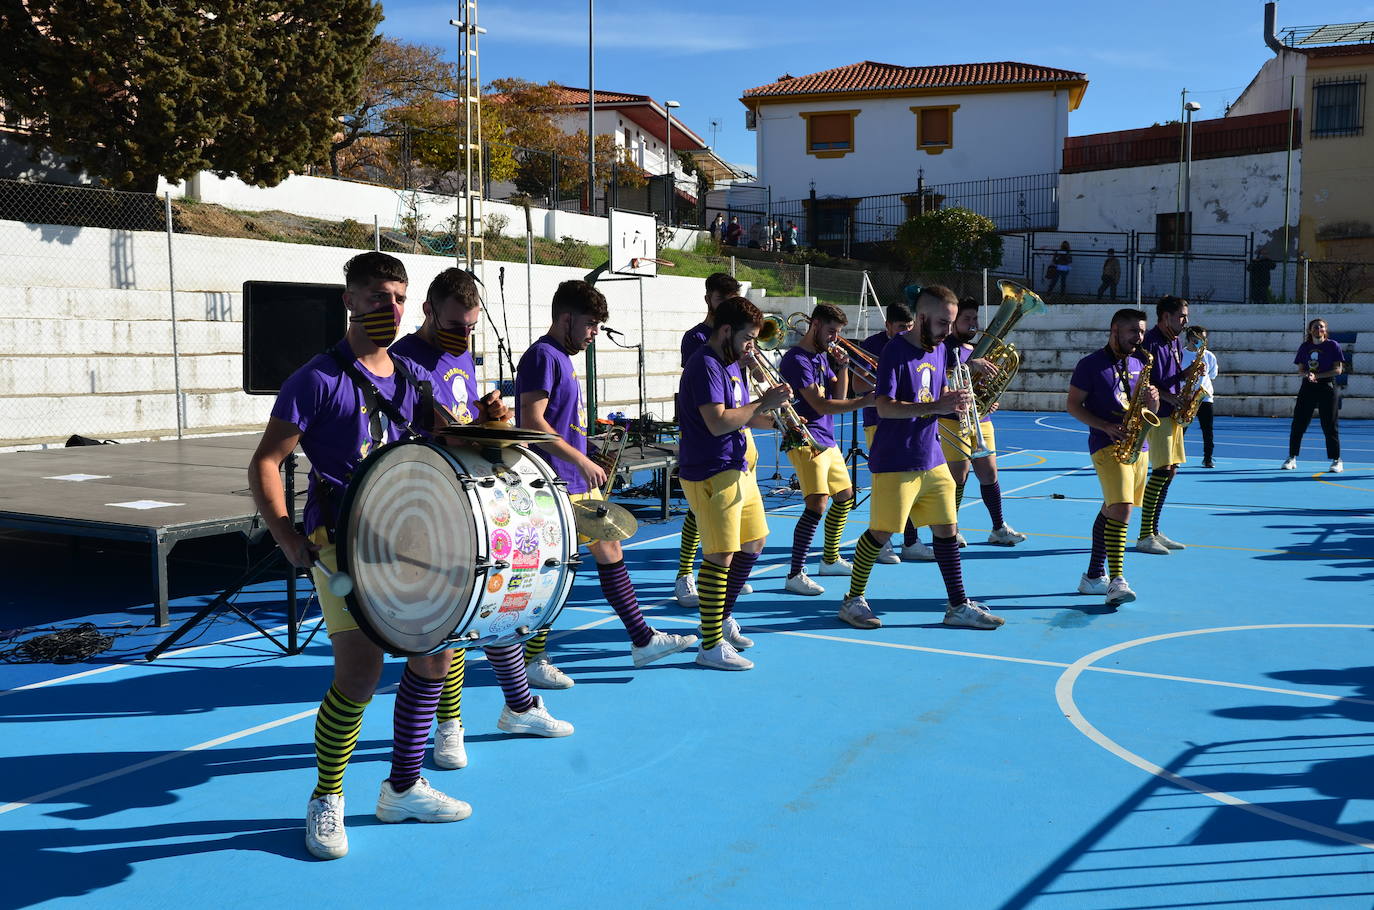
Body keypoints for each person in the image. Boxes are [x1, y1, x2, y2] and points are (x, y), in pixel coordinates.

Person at [248, 252, 470, 861]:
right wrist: (286, 535)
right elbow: (266, 460)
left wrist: (491, 427)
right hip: (341, 541)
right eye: (377, 296)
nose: (390, 308)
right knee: (358, 674)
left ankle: (403, 788)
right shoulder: (316, 379)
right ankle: (327, 798)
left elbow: (448, 436)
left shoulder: (412, 376)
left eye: (398, 297)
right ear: (348, 300)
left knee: (434, 659)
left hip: (409, 539)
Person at [390, 268, 575, 759]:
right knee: (449, 625)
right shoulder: (403, 360)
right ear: (428, 311)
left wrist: (491, 416)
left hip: (471, 496)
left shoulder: (460, 354)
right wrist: (480, 429)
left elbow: (464, 419)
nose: (464, 335)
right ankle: (448, 726)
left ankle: (519, 705)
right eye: (456, 325)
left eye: (472, 327)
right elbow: (439, 430)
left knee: (496, 601)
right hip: (428, 500)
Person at [515, 280, 698, 688]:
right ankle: (532, 659)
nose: (594, 332)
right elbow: (532, 421)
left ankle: (642, 639)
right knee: (553, 572)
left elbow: (560, 422)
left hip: (573, 478)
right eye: (590, 324)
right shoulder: (543, 356)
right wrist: (579, 459)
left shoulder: (560, 357)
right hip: (554, 483)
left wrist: (588, 449)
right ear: (566, 318)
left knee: (609, 550)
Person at [837, 285, 1007, 632]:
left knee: (947, 530)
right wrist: (935, 405)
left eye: (952, 323)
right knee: (881, 532)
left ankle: (958, 605)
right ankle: (853, 600)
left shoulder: (942, 349)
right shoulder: (895, 351)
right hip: (896, 459)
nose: (948, 330)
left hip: (932, 455)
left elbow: (938, 393)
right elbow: (885, 407)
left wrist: (958, 401)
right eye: (943, 322)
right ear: (923, 317)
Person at [678, 296, 790, 669]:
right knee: (719, 555)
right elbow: (718, 422)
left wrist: (780, 420)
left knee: (754, 542)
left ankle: (720, 618)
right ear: (726, 330)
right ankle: (710, 646)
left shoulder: (730, 364)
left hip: (736, 466)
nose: (751, 347)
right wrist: (764, 402)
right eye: (747, 339)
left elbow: (742, 416)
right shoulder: (706, 365)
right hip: (711, 469)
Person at [777, 304, 875, 600]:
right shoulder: (797, 359)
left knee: (844, 496)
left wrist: (843, 367)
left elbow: (840, 397)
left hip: (825, 437)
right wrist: (865, 401)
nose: (835, 338)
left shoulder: (821, 356)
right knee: (817, 503)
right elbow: (820, 405)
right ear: (815, 324)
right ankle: (795, 574)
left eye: (838, 332)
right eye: (832, 331)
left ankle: (830, 559)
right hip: (805, 437)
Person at [1066, 308, 1160, 608]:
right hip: (1107, 445)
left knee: (1111, 508)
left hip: (1138, 446)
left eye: (1142, 331)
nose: (1139, 337)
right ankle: (1117, 580)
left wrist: (1153, 405)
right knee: (1121, 508)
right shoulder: (1090, 365)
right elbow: (1073, 405)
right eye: (1133, 331)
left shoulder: (1140, 362)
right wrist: (1104, 425)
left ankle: (1094, 576)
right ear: (1115, 330)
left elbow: (1143, 409)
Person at [675, 273, 755, 608]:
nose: (729, 305)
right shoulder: (699, 341)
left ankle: (723, 597)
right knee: (702, 522)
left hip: (738, 439)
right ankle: (686, 573)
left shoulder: (735, 347)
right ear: (709, 299)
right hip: (710, 448)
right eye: (724, 300)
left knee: (750, 540)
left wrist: (750, 363)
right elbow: (712, 406)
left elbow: (741, 392)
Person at [937, 297, 1028, 547]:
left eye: (975, 318)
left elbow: (983, 385)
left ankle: (999, 527)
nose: (972, 323)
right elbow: (939, 381)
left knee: (989, 474)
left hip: (980, 419)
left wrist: (991, 399)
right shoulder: (942, 347)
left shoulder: (978, 348)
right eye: (966, 318)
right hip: (952, 420)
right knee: (958, 476)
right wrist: (969, 365)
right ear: (954, 321)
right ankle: (951, 528)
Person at [858, 302, 921, 565]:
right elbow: (857, 385)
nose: (905, 331)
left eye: (909, 326)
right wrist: (885, 375)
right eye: (900, 327)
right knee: (884, 485)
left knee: (912, 482)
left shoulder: (914, 343)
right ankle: (881, 542)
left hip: (909, 421)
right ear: (887, 325)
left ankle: (911, 541)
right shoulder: (872, 345)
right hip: (878, 422)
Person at [1136, 296, 1190, 555]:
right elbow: (1142, 380)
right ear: (1166, 317)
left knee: (1171, 471)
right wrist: (1168, 396)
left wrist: (1186, 376)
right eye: (1182, 316)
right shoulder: (1150, 342)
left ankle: (1154, 530)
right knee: (1161, 471)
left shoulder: (1174, 341)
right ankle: (1144, 535)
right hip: (1157, 414)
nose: (1186, 321)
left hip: (1173, 413)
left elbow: (1169, 376)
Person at [1282, 318, 1346, 473]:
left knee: (1329, 424)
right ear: (1310, 330)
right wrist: (1308, 375)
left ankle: (1336, 460)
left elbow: (1338, 370)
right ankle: (1292, 457)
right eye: (1315, 327)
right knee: (1298, 423)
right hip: (1308, 387)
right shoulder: (1305, 347)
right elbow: (1301, 370)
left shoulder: (1333, 345)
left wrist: (1318, 376)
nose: (1319, 329)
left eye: (1321, 327)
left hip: (1327, 386)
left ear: (1325, 330)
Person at [1179, 325, 1218, 468]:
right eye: (1200, 338)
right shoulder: (1181, 354)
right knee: (1181, 429)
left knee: (1208, 430)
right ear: (1191, 338)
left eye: (1204, 338)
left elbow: (1212, 375)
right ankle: (1176, 457)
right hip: (1186, 396)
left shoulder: (1209, 356)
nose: (1203, 341)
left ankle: (1208, 458)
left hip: (1204, 397)